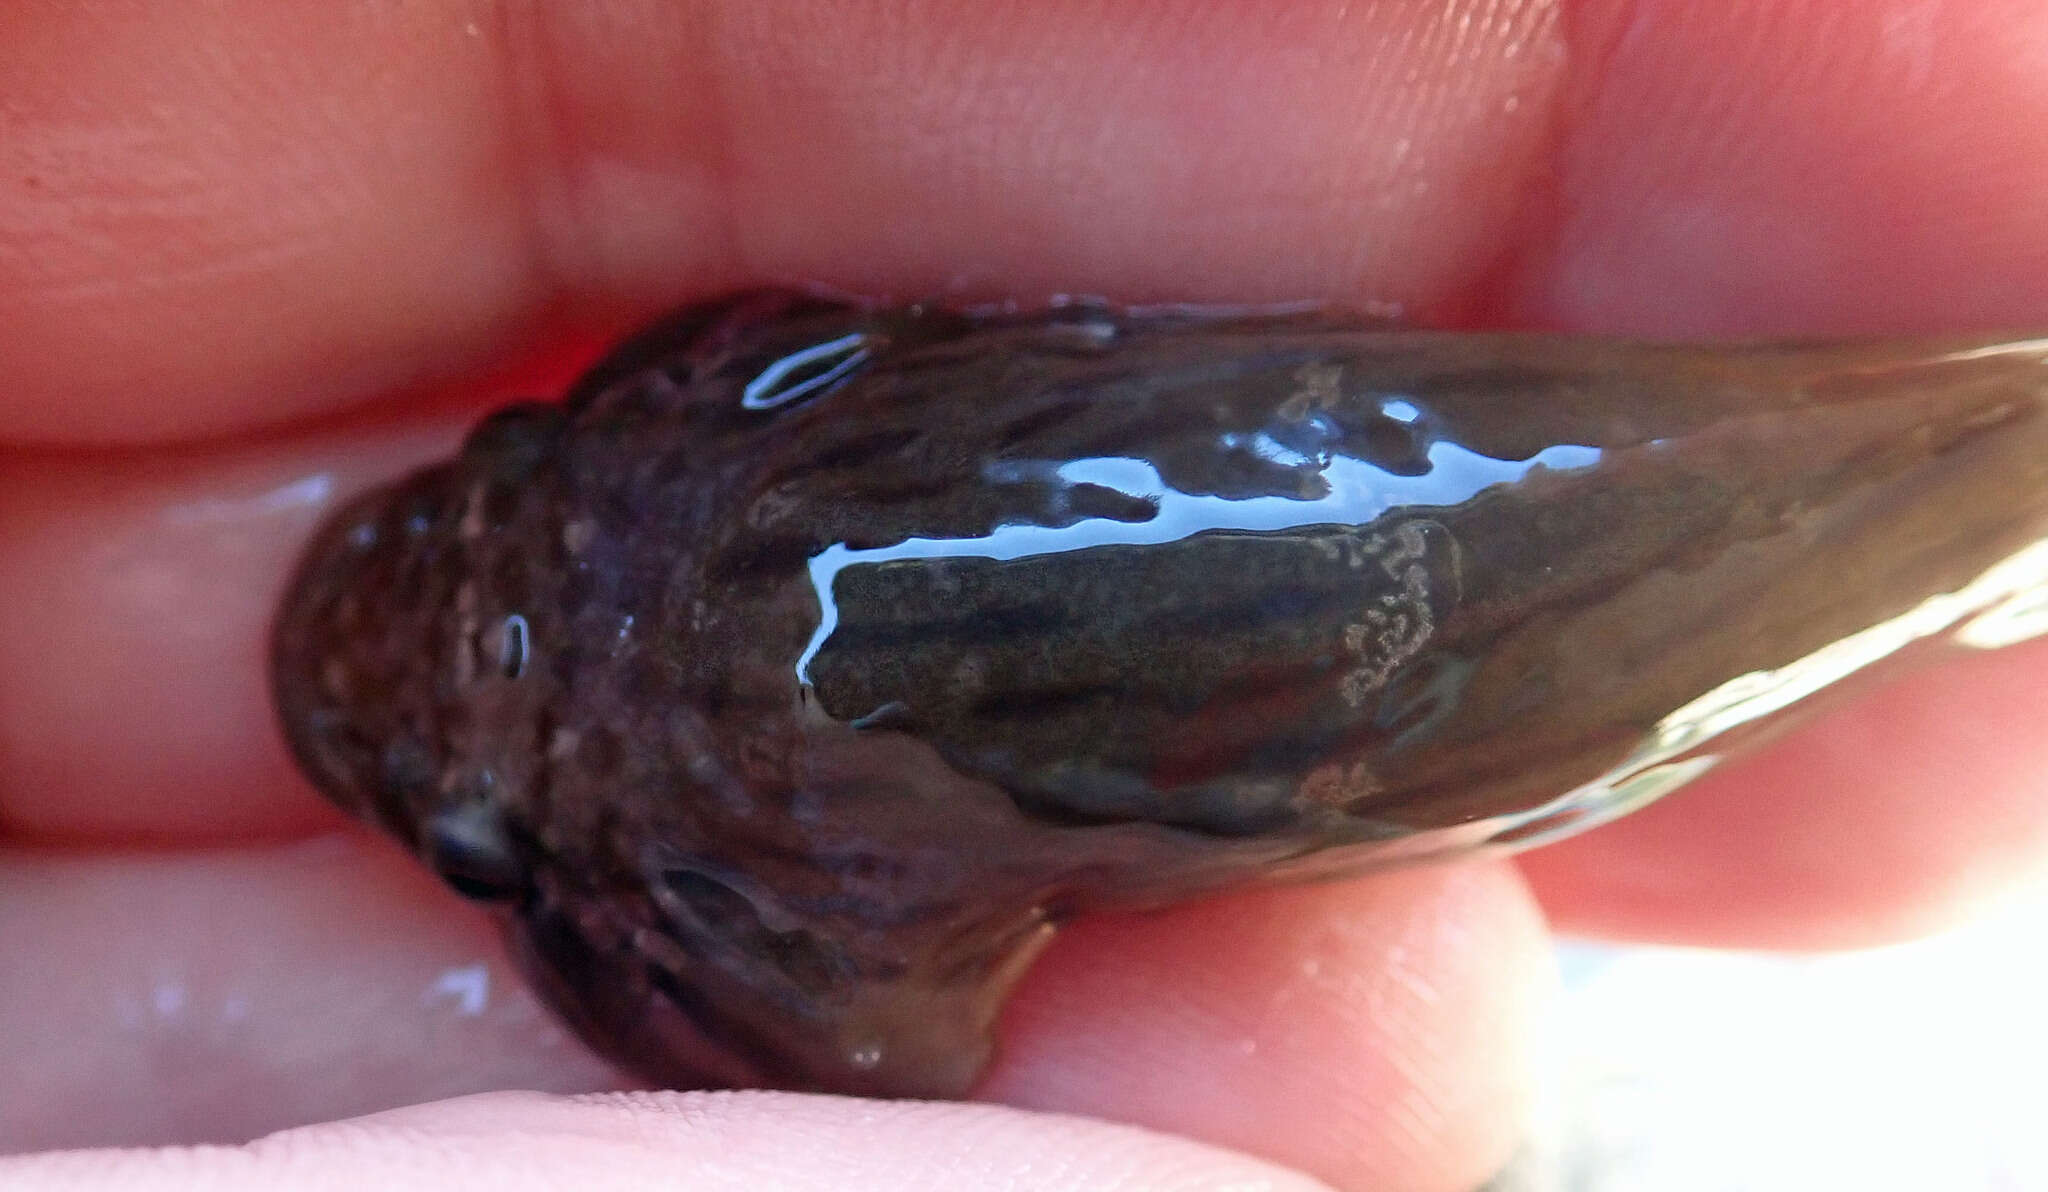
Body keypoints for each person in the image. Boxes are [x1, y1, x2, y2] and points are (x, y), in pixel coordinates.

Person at [5, 4, 2048, 1190]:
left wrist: (588, 924)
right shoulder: (704, 412)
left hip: (1447, 625)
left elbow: (876, 1061)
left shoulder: (722, 877)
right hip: (1436, 514)